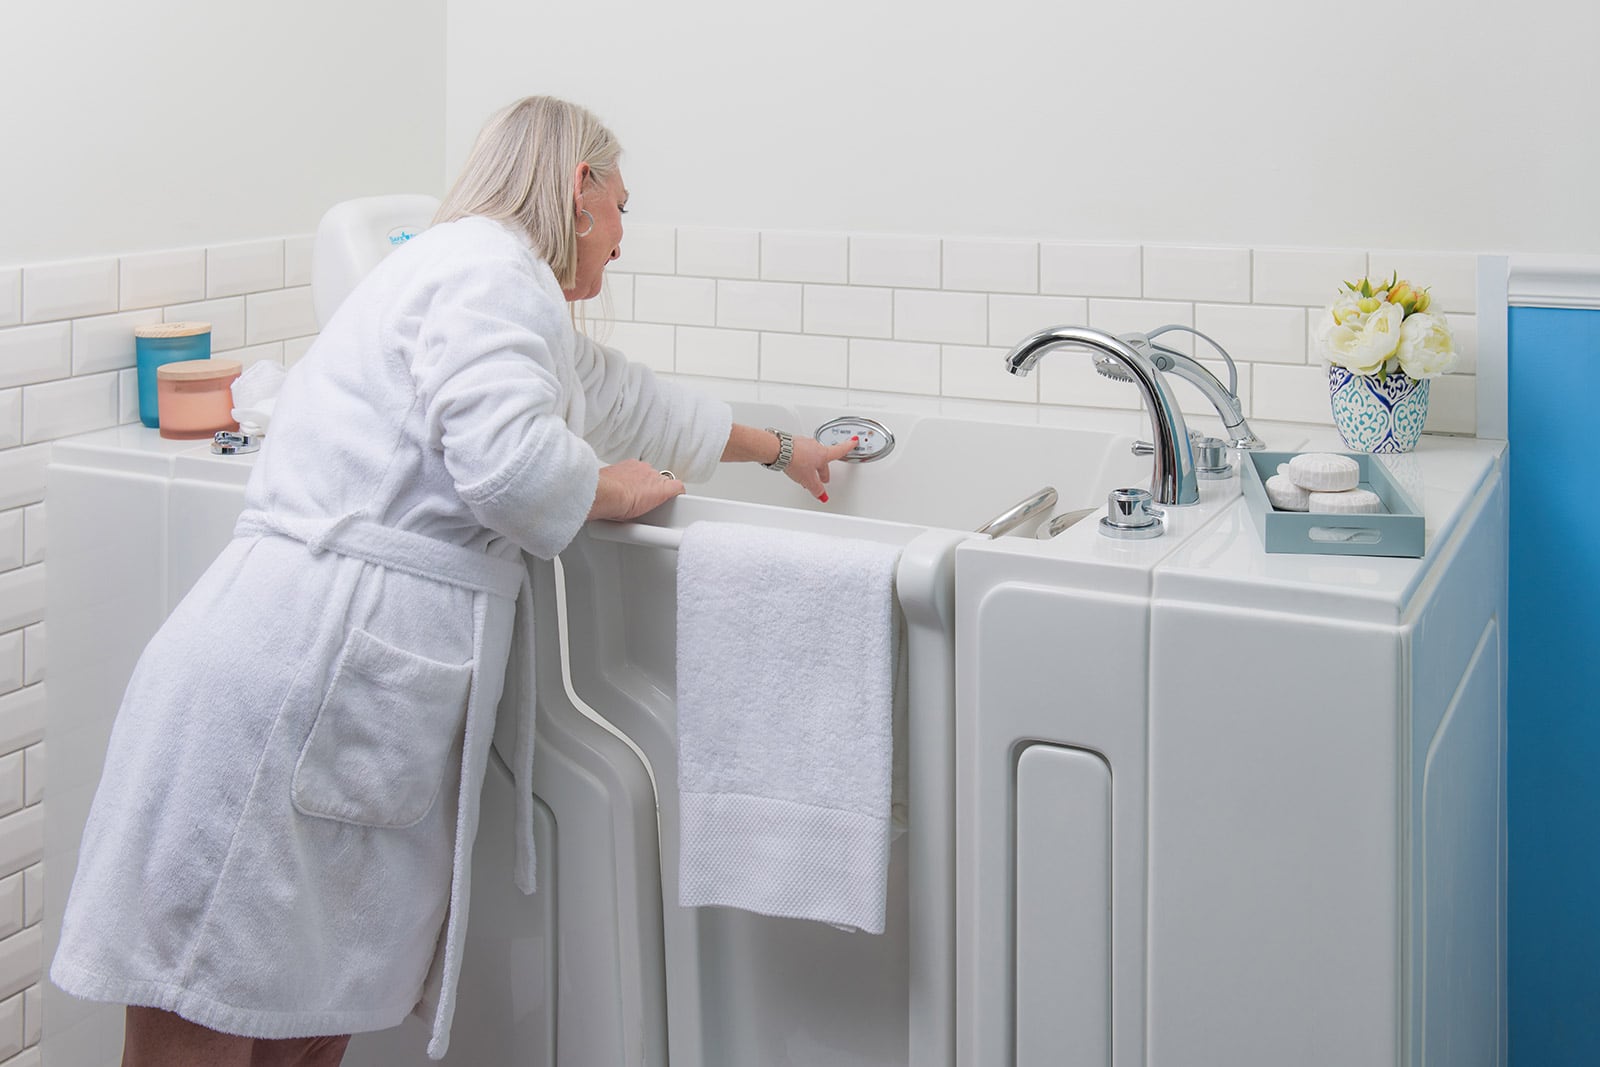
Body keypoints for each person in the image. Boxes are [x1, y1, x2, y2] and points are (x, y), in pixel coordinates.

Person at [50, 95, 855, 1066]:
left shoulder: (492, 283)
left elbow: (625, 399)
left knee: (300, 1018)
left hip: (337, 689)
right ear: (577, 188)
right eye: (622, 208)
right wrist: (603, 486)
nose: (622, 236)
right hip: (284, 687)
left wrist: (784, 451)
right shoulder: (488, 271)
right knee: (202, 1008)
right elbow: (511, 465)